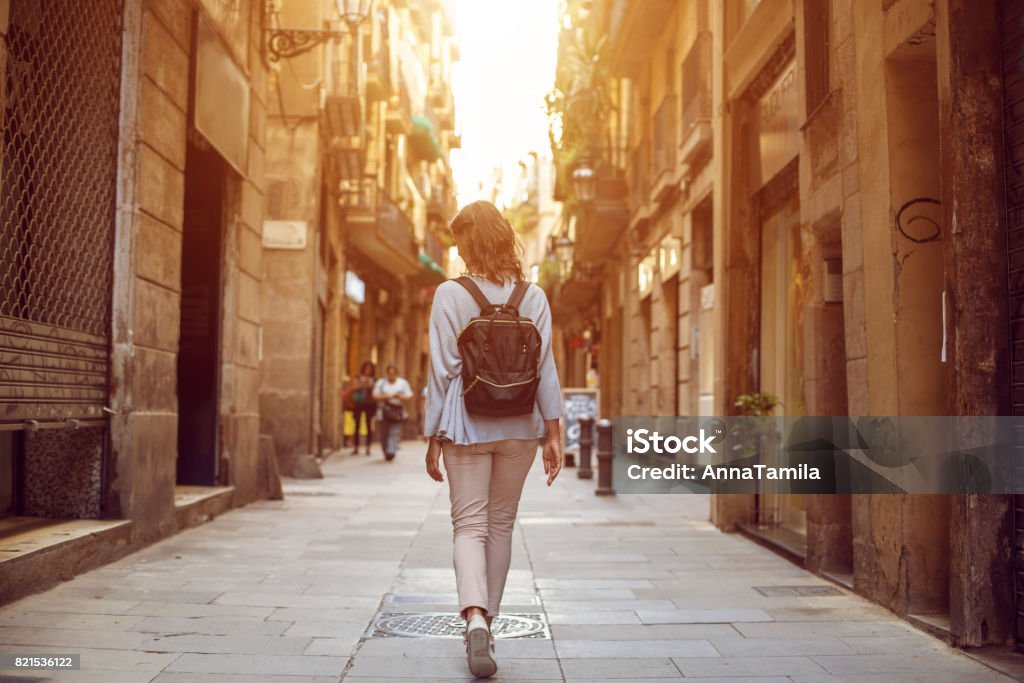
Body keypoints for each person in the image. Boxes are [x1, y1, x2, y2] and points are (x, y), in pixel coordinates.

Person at [424, 200, 563, 679]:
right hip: (521, 428)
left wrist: (432, 435)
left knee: (469, 525)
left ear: (468, 242)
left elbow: (442, 372)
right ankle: (490, 622)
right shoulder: (533, 296)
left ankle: (475, 617)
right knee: (501, 525)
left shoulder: (450, 294)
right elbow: (546, 369)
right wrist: (554, 432)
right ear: (505, 238)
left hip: (466, 425)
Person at [372, 363, 413, 461]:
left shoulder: (402, 383)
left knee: (395, 432)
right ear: (386, 373)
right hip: (384, 411)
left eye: (393, 373)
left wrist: (399, 396)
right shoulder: (381, 383)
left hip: (397, 411)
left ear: (396, 374)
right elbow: (374, 396)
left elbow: (409, 395)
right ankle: (386, 450)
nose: (391, 375)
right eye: (389, 373)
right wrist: (386, 396)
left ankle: (391, 451)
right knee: (384, 433)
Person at [349, 361, 376, 456]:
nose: (368, 370)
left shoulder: (374, 379)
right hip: (359, 404)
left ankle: (368, 447)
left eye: (370, 369)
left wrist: (370, 385)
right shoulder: (358, 378)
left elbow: (375, 390)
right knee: (357, 425)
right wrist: (361, 384)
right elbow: (353, 388)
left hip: (369, 405)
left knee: (369, 426)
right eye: (366, 368)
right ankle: (356, 447)